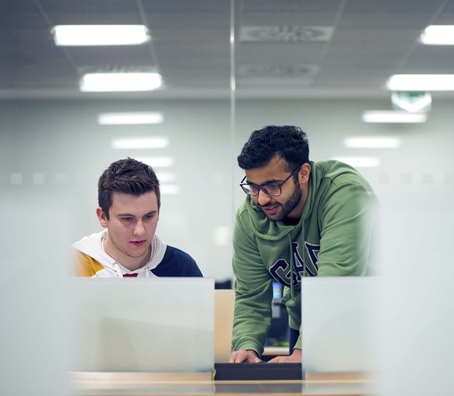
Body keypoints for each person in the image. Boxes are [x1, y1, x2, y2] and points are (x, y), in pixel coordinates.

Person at [230, 125, 377, 363]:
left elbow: (335, 283)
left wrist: (305, 351)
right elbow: (250, 295)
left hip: (363, 326)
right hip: (304, 328)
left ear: (303, 173)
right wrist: (247, 345)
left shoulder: (344, 192)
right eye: (253, 187)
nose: (262, 199)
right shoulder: (249, 218)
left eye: (272, 186)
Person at [71, 157, 202, 278]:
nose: (140, 231)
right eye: (127, 218)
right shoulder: (75, 266)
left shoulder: (182, 268)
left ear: (158, 211)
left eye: (148, 216)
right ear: (103, 217)